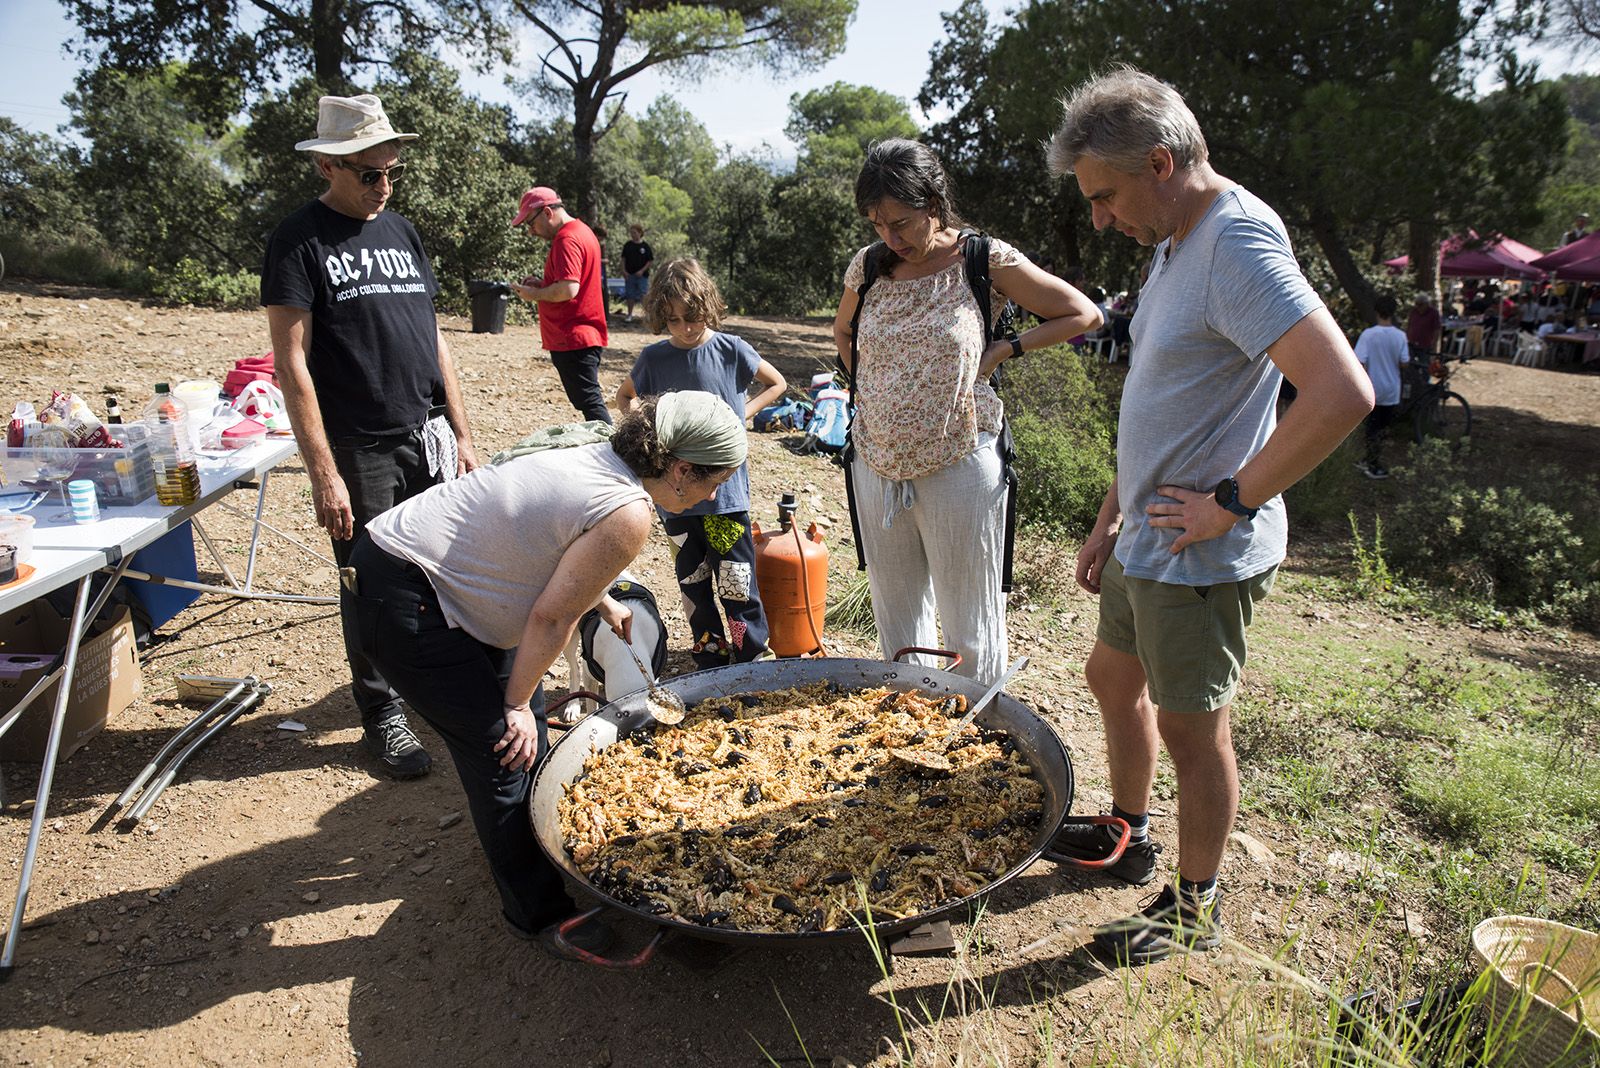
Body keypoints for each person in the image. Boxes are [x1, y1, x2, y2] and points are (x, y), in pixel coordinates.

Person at [1044, 67, 1372, 964]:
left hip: (1197, 551)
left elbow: (1343, 392)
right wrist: (1112, 510)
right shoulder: (1175, 236)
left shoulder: (1234, 242)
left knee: (1194, 728)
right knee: (1113, 678)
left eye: (1107, 197)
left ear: (1161, 161)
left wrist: (1233, 501)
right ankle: (1127, 832)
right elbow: (1162, 393)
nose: (1102, 219)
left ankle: (1193, 908)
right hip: (1145, 534)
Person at [348, 392, 747, 956]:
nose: (713, 495)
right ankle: (540, 916)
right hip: (406, 600)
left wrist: (601, 599)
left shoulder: (597, 447)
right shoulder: (629, 512)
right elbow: (552, 615)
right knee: (504, 755)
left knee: (530, 722)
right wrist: (512, 705)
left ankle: (540, 843)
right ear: (681, 469)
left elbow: (544, 535)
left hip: (419, 572)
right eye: (713, 481)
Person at [262, 93, 479, 780]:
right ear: (329, 168)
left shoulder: (403, 232)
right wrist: (324, 473)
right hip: (360, 446)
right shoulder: (297, 242)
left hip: (428, 432)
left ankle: (436, 687)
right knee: (370, 583)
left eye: (391, 172)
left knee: (439, 566)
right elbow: (291, 363)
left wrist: (462, 431)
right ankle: (379, 713)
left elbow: (433, 338)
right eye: (368, 174)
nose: (383, 186)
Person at [831, 139, 1101, 686]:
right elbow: (843, 331)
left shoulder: (982, 259)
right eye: (878, 223)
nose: (891, 237)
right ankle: (910, 724)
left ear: (934, 202)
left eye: (902, 222)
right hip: (875, 463)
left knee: (970, 624)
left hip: (960, 461)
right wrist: (879, 393)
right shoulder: (870, 266)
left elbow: (1082, 314)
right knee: (898, 618)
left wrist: (1005, 349)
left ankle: (980, 733)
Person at [615, 258, 788, 668]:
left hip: (725, 495)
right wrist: (646, 427)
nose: (684, 328)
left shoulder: (731, 349)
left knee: (736, 581)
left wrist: (740, 413)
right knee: (693, 581)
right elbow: (625, 397)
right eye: (673, 320)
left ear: (707, 307)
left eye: (691, 317)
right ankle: (709, 655)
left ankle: (750, 655)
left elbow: (776, 382)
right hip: (674, 498)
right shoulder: (654, 359)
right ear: (660, 317)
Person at [509, 187, 611, 424]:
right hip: (580, 335)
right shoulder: (582, 231)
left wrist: (534, 294)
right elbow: (572, 282)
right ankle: (607, 449)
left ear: (546, 212)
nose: (531, 232)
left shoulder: (567, 239)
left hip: (573, 337)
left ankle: (613, 452)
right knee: (588, 401)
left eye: (530, 223)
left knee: (590, 403)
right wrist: (543, 284)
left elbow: (568, 289)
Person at [1354, 295, 1410, 480]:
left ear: (1376, 312)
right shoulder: (1400, 336)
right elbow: (1404, 362)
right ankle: (1373, 461)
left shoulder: (1368, 335)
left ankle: (1371, 461)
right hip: (1392, 388)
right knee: (1383, 428)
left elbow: (1359, 361)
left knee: (1371, 427)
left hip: (1372, 388)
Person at [620, 224, 654, 323]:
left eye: (634, 232)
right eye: (631, 233)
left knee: (644, 295)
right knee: (630, 295)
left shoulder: (645, 246)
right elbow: (623, 259)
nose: (633, 235)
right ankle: (629, 314)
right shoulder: (628, 245)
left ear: (640, 233)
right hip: (629, 275)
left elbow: (650, 261)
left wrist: (642, 270)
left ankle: (646, 315)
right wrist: (623, 271)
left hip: (642, 276)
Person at [1405, 292, 1442, 356]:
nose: (1418, 307)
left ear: (1427, 304)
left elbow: (1437, 329)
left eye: (1420, 304)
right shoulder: (1413, 311)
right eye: (1416, 304)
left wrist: (1434, 343)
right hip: (1412, 343)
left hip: (1425, 344)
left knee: (1424, 363)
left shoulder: (1433, 313)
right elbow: (1409, 325)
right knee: (1410, 362)